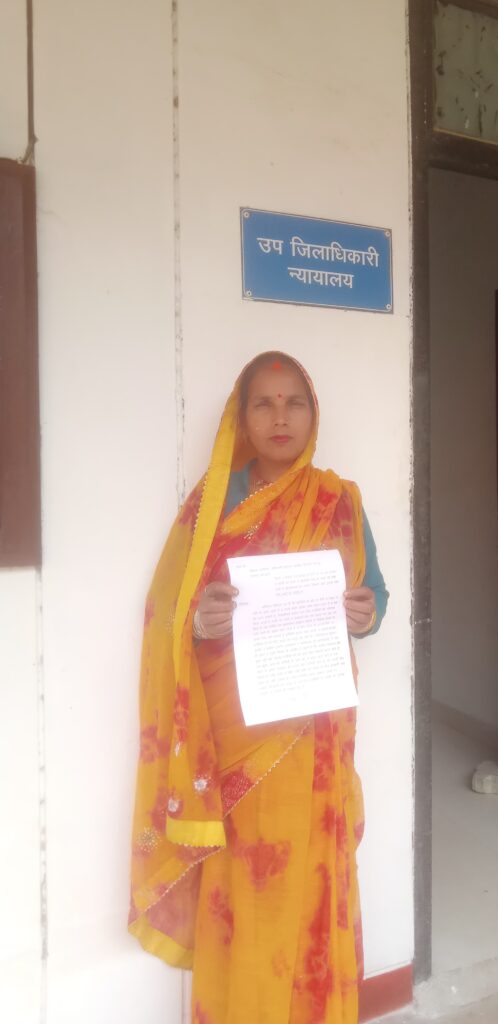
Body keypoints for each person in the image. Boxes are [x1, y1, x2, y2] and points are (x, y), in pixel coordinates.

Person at [129, 351, 388, 1024]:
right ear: (240, 418)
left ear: (312, 414)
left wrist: (366, 614)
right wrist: (201, 619)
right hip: (238, 748)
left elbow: (375, 595)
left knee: (314, 884)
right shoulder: (213, 502)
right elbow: (167, 612)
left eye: (294, 402)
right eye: (264, 403)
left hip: (318, 740)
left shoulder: (340, 500)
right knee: (247, 891)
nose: (280, 417)